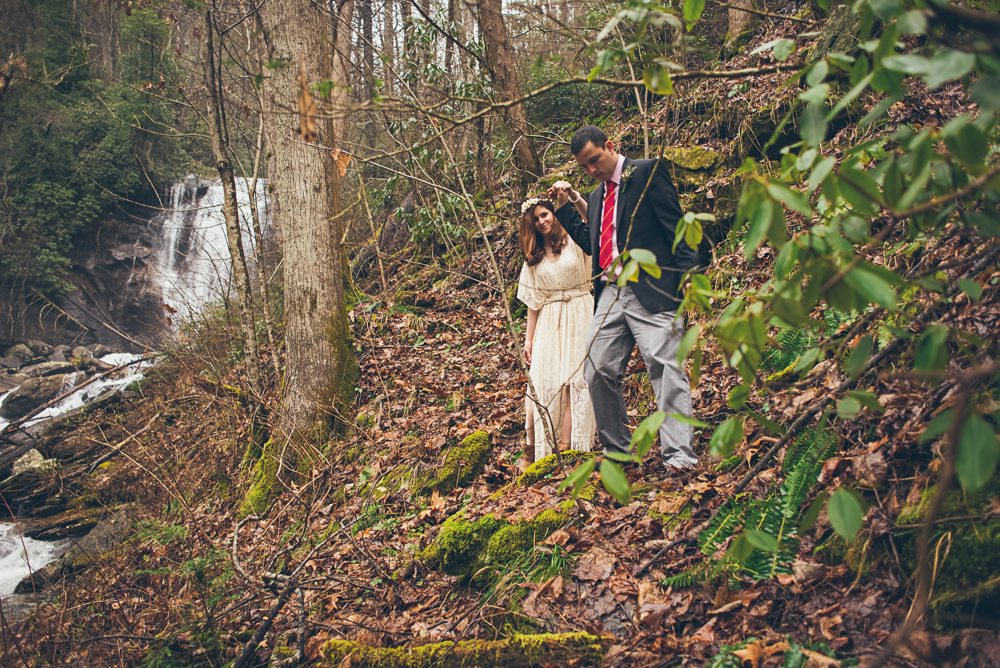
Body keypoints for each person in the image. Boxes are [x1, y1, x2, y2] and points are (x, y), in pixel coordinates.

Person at [547, 125, 701, 474]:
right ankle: (618, 453)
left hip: (653, 286)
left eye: (594, 161)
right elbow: (593, 246)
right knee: (596, 367)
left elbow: (676, 226)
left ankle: (679, 457)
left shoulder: (646, 172)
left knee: (665, 367)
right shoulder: (598, 195)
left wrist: (690, 278)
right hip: (611, 294)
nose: (591, 170)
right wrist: (566, 206)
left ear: (610, 147)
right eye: (584, 167)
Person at [516, 196, 596, 470]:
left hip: (580, 311)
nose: (541, 222)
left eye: (544, 215)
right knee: (545, 381)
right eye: (535, 220)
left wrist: (573, 198)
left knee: (578, 380)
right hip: (549, 321)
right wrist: (528, 339)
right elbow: (533, 304)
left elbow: (592, 222)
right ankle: (541, 450)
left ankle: (570, 447)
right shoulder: (533, 258)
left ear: (554, 212)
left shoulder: (576, 240)